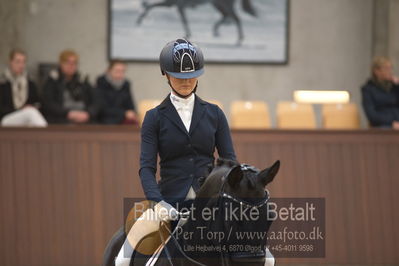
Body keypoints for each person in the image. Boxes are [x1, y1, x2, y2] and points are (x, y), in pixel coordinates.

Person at [139, 39, 236, 220]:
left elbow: (229, 162)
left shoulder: (215, 114)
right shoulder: (154, 117)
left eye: (192, 75)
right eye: (179, 76)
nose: (186, 81)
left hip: (210, 202)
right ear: (166, 74)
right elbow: (146, 168)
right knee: (132, 242)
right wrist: (157, 202)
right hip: (169, 202)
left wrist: (227, 197)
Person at [41, 50, 100, 124]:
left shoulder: (83, 80)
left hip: (84, 117)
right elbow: (48, 104)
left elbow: (96, 101)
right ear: (61, 64)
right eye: (68, 63)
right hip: (61, 118)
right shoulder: (53, 81)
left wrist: (89, 113)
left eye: (74, 63)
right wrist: (68, 113)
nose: (71, 66)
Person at [0, 49, 47, 127]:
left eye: (23, 62)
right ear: (10, 62)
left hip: (26, 117)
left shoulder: (30, 82)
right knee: (30, 113)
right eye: (18, 61)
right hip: (6, 119)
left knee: (32, 115)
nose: (21, 65)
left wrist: (32, 107)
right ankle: (47, 136)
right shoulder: (2, 83)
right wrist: (21, 110)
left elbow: (38, 102)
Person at [361, 56, 399, 129]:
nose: (390, 71)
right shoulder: (368, 90)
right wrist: (391, 123)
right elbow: (372, 115)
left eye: (391, 68)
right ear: (376, 71)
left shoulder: (394, 87)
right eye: (386, 68)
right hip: (383, 125)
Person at [96, 60, 138, 124]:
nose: (120, 74)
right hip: (104, 122)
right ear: (109, 71)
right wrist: (124, 113)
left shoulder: (126, 85)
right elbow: (101, 109)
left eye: (123, 71)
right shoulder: (101, 84)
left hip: (122, 120)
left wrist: (132, 113)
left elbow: (131, 106)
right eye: (117, 71)